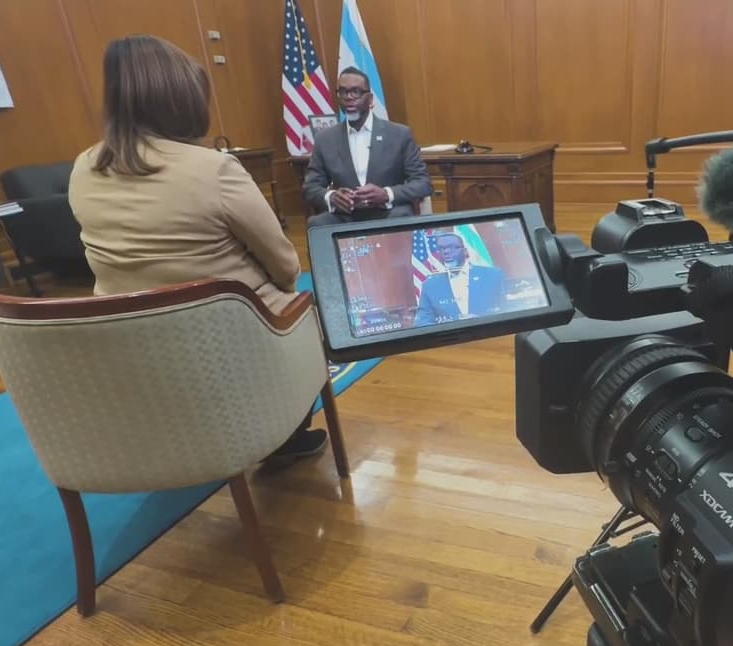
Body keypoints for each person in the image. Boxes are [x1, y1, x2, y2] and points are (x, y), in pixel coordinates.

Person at [67, 35, 326, 462]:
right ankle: (284, 438)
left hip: (129, 344)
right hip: (228, 345)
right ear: (184, 99)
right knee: (312, 312)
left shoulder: (82, 167)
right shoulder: (214, 168)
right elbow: (284, 266)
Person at [303, 67, 432, 227]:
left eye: (356, 92)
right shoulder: (325, 139)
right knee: (317, 224)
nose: (349, 97)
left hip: (388, 213)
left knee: (401, 218)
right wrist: (332, 197)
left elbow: (423, 183)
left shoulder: (399, 134)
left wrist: (386, 194)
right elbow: (311, 187)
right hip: (346, 216)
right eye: (343, 92)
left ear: (370, 99)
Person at [414, 233, 507, 326]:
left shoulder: (492, 275)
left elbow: (507, 308)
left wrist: (481, 320)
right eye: (441, 248)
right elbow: (422, 322)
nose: (446, 252)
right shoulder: (430, 285)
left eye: (452, 247)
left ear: (465, 251)